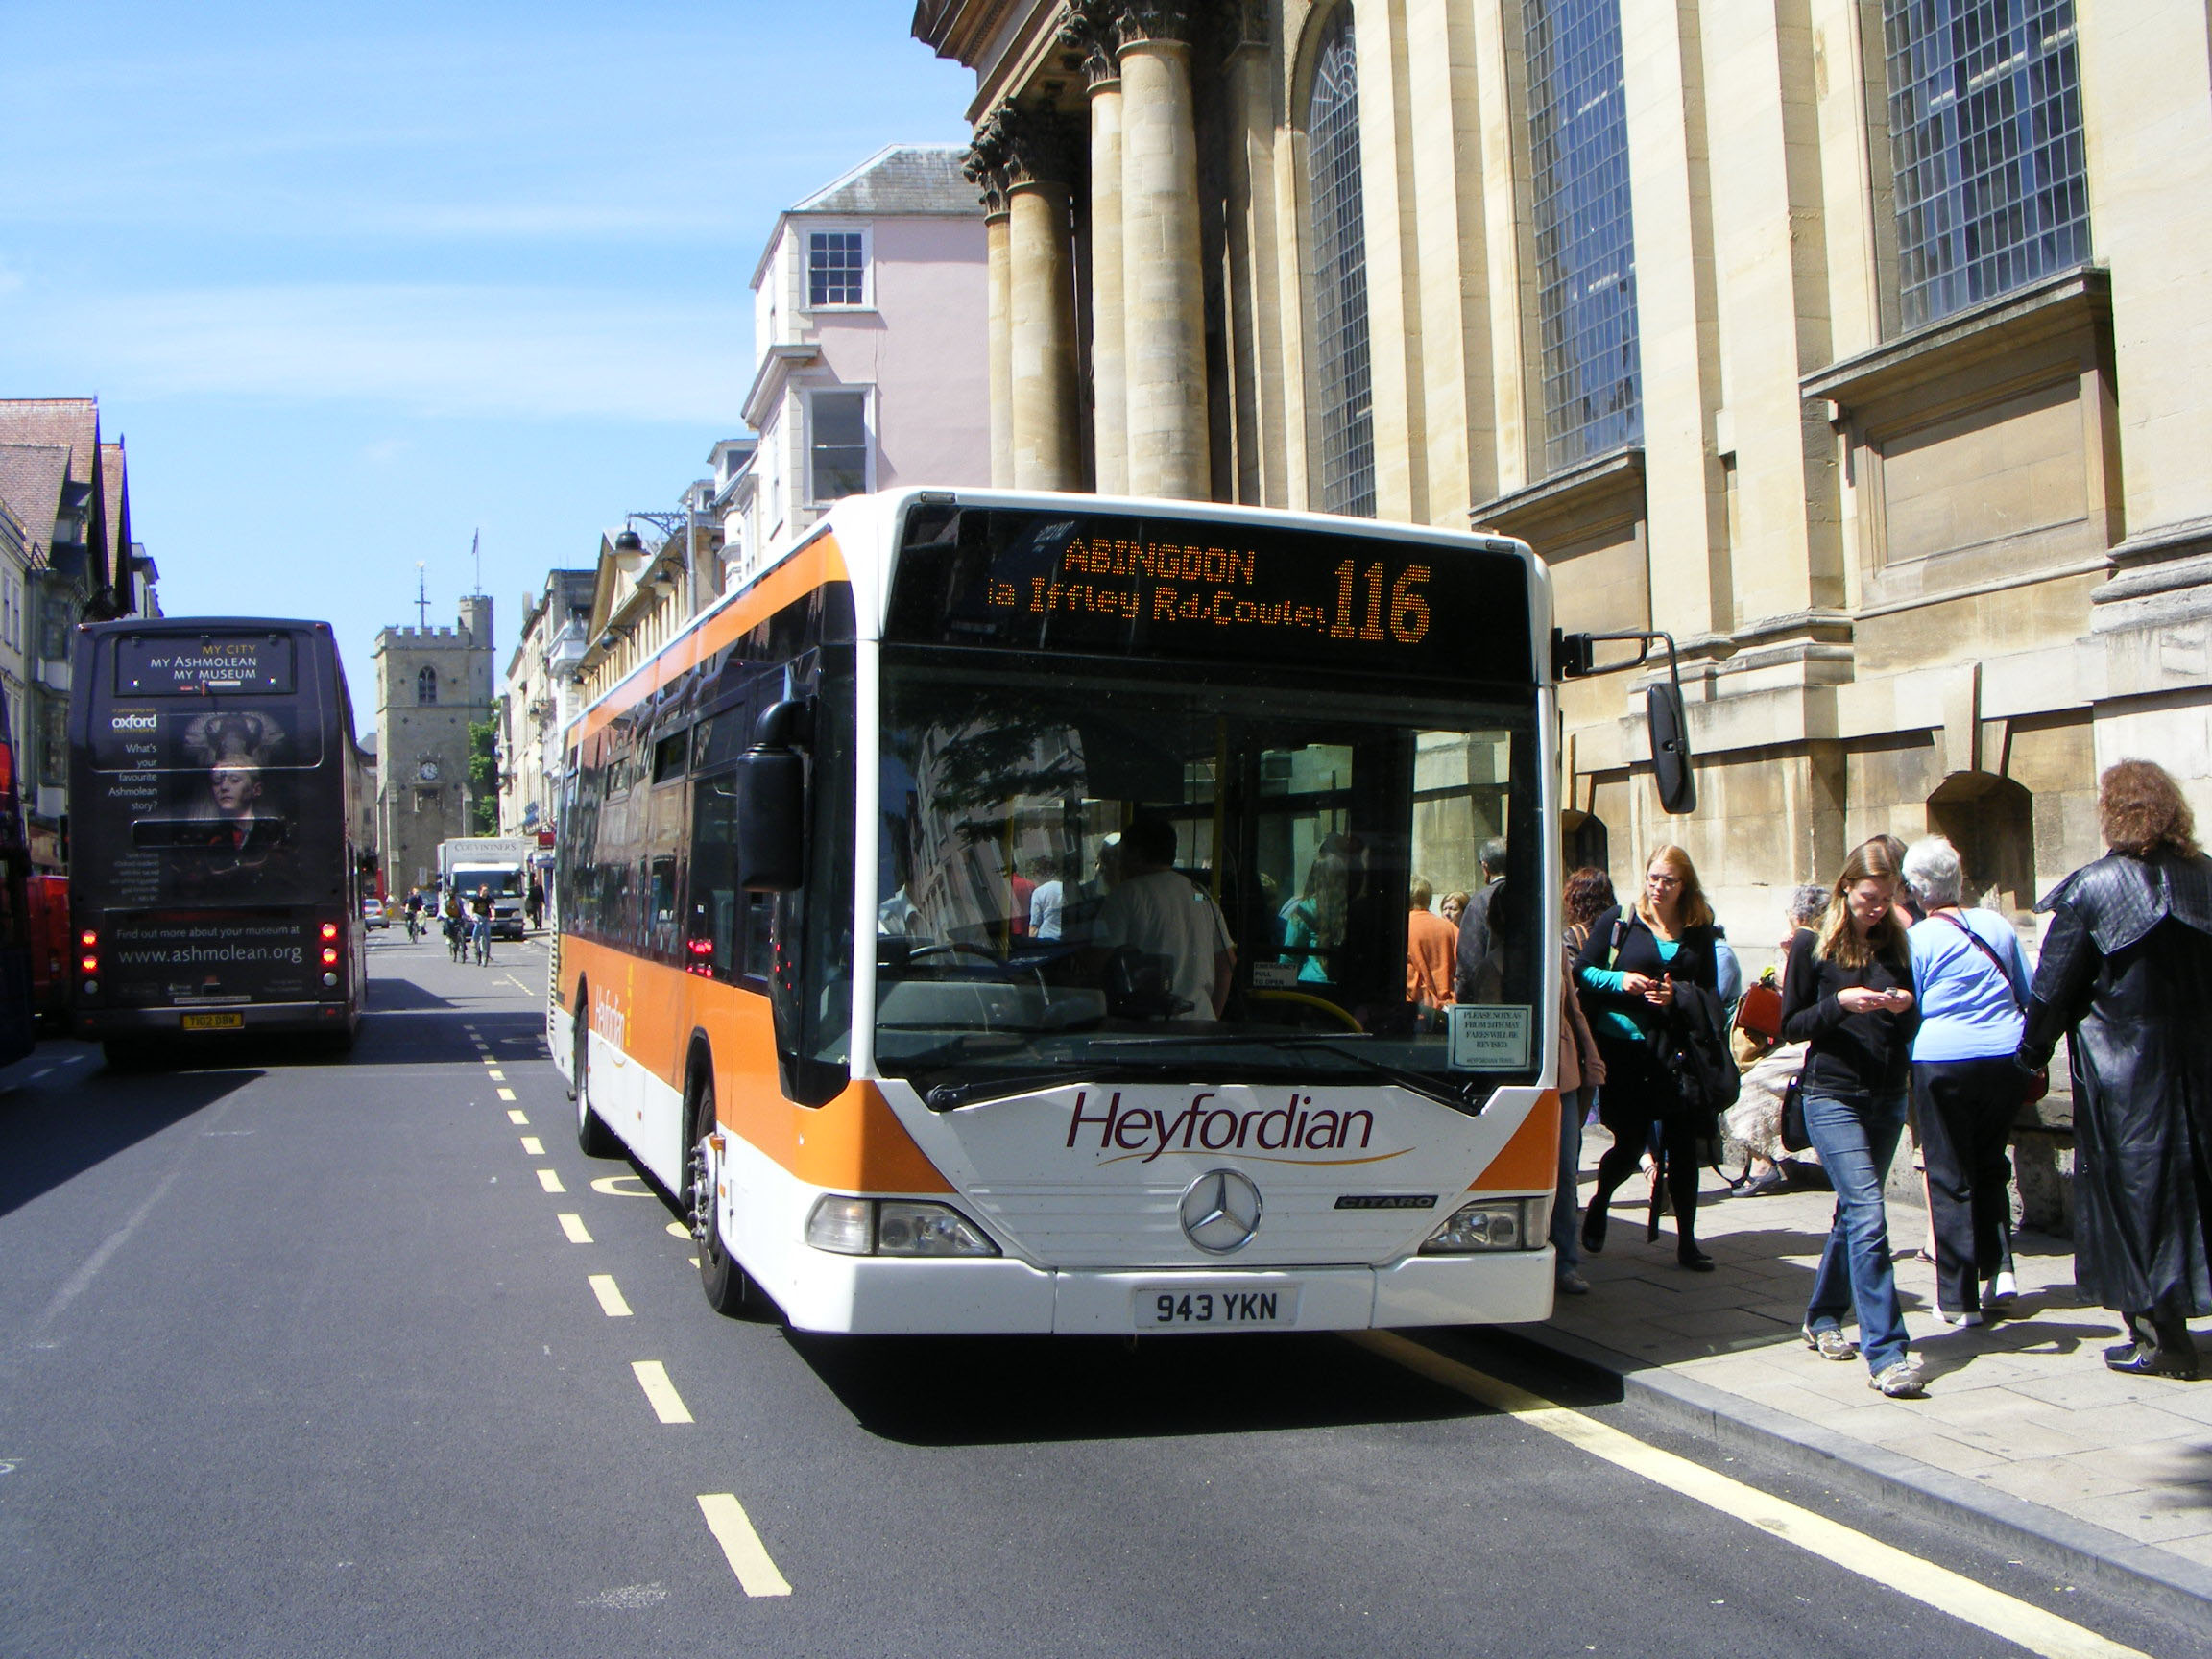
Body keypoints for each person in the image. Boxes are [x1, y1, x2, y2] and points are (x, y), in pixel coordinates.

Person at [2018, 760, 2212, 1380]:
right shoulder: (2206, 876)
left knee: (2137, 1201)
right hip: (2197, 1071)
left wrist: (2029, 1054)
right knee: (2196, 1194)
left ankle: (2162, 1340)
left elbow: (2051, 990)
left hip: (2125, 1078)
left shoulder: (2092, 888)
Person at [1784, 838, 1926, 1397]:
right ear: (1846, 889)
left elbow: (1909, 1028)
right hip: (1832, 1095)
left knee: (1853, 1212)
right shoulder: (1811, 945)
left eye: (1888, 899)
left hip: (1887, 1095)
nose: (1878, 909)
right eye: (1870, 898)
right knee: (1869, 1212)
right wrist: (1840, 1005)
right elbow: (1791, 1026)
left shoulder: (1896, 943)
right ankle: (1887, 1353)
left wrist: (1904, 1007)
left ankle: (1822, 1316)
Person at [1574, 845, 1724, 1271]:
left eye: (1668, 880)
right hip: (1625, 1048)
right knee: (1630, 1144)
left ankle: (1688, 1242)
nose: (1658, 887)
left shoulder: (1698, 928)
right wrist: (1620, 980)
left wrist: (1678, 995)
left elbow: (1710, 990)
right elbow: (1581, 969)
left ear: (1685, 885)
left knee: (1683, 1145)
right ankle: (1601, 1200)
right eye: (1653, 877)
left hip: (1677, 1050)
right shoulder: (1621, 919)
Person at [1903, 835, 2032, 1326]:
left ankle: (1958, 1299)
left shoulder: (1917, 939)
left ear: (1917, 890)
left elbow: (1909, 1006)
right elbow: (2027, 990)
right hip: (2004, 1056)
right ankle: (2001, 1272)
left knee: (1950, 1174)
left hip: (1943, 1060)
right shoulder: (1996, 924)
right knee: (1990, 1162)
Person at [1723, 883, 1830, 1196]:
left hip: (1811, 1040)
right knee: (1751, 1074)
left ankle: (1762, 1164)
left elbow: (1799, 998)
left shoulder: (1814, 944)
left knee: (1754, 1083)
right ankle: (1765, 1161)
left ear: (1803, 917)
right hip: (1797, 1037)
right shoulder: (1804, 942)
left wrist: (1790, 958)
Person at [1093, 816, 1235, 1022]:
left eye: (1122, 852)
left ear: (1136, 853)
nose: (1119, 861)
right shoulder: (1201, 894)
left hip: (1148, 1028)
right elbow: (1227, 963)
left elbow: (1100, 962)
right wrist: (1211, 1016)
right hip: (1201, 1023)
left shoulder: (1124, 895)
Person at [1553, 918, 1608, 1296]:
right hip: (1512, 1073)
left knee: (1566, 1172)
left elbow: (1574, 1008)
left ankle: (1566, 1262)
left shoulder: (1555, 948)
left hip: (1563, 1071)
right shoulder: (1495, 958)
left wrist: (1591, 1057)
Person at [1279, 837, 1349, 984]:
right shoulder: (1355, 907)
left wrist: (1281, 991)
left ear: (1316, 875)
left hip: (1311, 986)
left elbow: (1288, 958)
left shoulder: (1305, 909)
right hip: (1346, 986)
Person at [1452, 838, 1509, 1002]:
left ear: (1485, 867)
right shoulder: (1534, 898)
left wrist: (1465, 1005)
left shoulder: (1480, 901)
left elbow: (1469, 963)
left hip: (1490, 1004)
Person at [1406, 877, 1457, 1017]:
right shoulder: (1451, 929)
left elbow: (1410, 978)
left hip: (1418, 1013)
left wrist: (1431, 1003)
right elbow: (1464, 971)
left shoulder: (1402, 928)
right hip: (1450, 1011)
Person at [1028, 856, 1065, 941]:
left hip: (1046, 939)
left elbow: (1034, 925)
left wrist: (1031, 943)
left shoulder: (1038, 892)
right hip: (1067, 938)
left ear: (1038, 874)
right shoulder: (1066, 887)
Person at [469, 886, 493, 965]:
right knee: (478, 925)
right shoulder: (475, 898)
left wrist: (493, 916)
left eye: (487, 890)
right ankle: (474, 940)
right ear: (480, 891)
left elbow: (492, 907)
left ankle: (487, 953)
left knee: (487, 933)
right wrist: (472, 916)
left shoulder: (489, 898)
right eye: (484, 890)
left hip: (486, 916)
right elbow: (471, 908)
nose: (486, 892)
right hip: (477, 915)